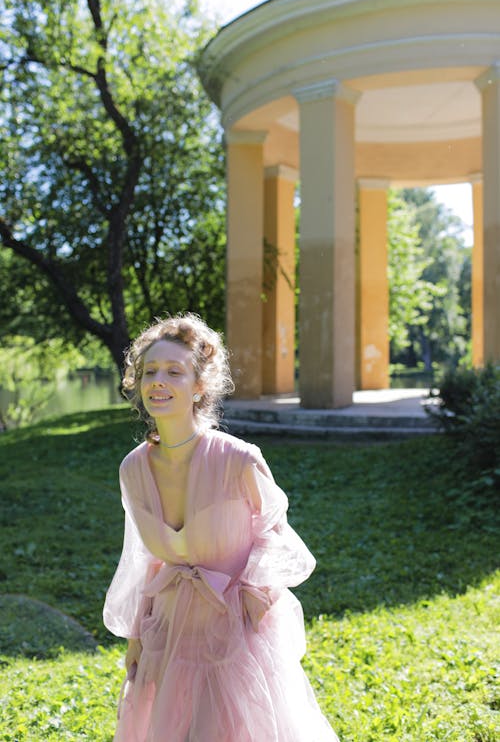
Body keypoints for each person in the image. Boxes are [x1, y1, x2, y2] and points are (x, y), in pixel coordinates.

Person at [103, 313, 339, 742]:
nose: (159, 381)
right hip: (169, 630)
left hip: (234, 629)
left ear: (198, 386)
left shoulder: (239, 459)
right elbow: (142, 558)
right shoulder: (132, 468)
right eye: (150, 372)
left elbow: (277, 533)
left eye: (174, 372)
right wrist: (137, 633)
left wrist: (254, 592)